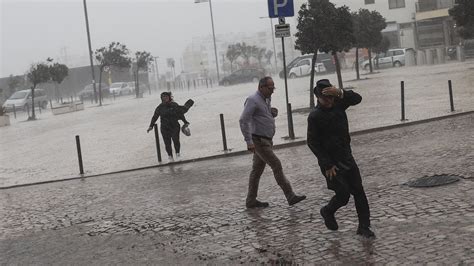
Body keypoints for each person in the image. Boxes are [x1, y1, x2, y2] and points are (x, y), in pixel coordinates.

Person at [307, 79, 375, 238]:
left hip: (346, 157)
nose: (329, 101)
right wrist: (327, 164)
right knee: (343, 195)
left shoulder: (339, 104)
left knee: (359, 191)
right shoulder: (314, 116)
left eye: (331, 97)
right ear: (318, 97)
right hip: (331, 164)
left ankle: (364, 226)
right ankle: (327, 211)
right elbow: (313, 142)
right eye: (325, 98)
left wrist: (340, 92)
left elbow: (357, 99)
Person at [239, 76, 306, 209]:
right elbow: (243, 120)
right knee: (276, 164)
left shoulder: (266, 98)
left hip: (266, 140)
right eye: (270, 88)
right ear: (261, 87)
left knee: (256, 171)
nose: (272, 91)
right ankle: (290, 195)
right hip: (259, 141)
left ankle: (251, 200)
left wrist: (270, 113)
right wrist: (249, 141)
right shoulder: (252, 100)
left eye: (273, 88)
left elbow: (260, 115)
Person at [147, 91, 189, 160]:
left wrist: (185, 122)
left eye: (166, 97)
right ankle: (170, 156)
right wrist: (151, 126)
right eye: (163, 97)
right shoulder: (160, 107)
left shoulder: (174, 105)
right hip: (164, 127)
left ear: (169, 97)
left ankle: (178, 154)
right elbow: (155, 116)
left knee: (176, 140)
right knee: (167, 143)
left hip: (174, 126)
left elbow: (180, 114)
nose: (165, 98)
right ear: (161, 98)